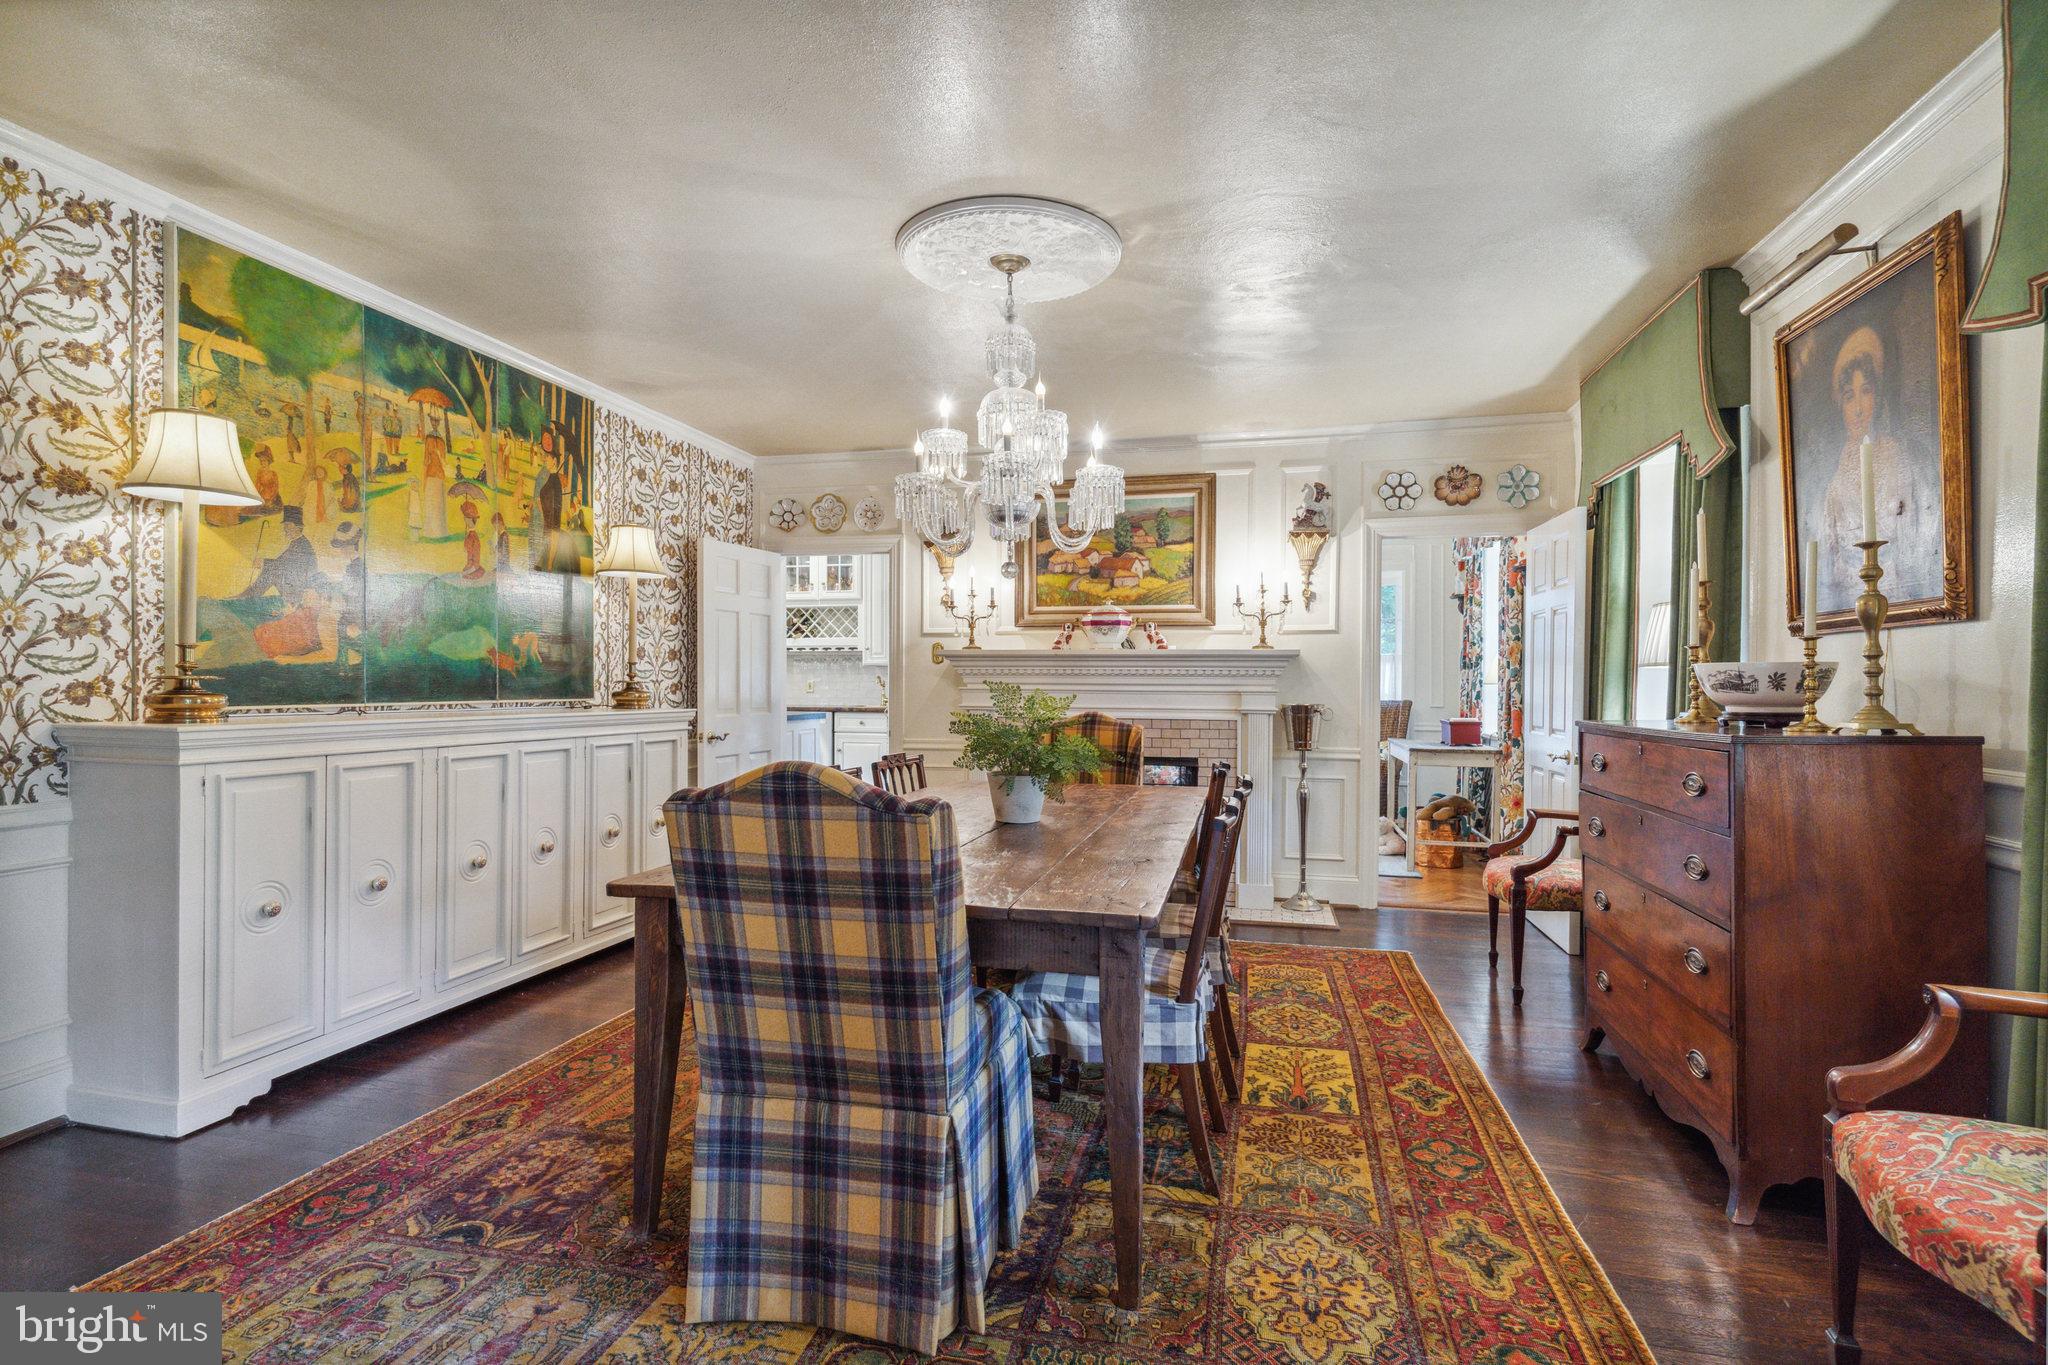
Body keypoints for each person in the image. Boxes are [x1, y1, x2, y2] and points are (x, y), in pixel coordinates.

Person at [1815, 325, 1942, 607]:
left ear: (1878, 396)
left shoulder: (1903, 458)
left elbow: (1924, 537)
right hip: (1852, 602)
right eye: (1850, 397)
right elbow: (1830, 559)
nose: (1859, 407)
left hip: (1902, 596)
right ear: (1841, 405)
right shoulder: (1834, 483)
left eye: (1866, 392)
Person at [237, 508, 322, 604]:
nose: (285, 529)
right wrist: (264, 563)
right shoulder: (298, 542)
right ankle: (249, 594)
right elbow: (281, 562)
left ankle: (249, 596)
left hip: (300, 590)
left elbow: (283, 565)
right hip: (294, 584)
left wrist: (263, 562)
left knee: (272, 570)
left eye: (287, 525)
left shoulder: (302, 545)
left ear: (297, 527)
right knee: (271, 569)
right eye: (285, 526)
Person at [459, 498, 487, 581]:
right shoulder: (472, 535)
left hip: (473, 566)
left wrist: (468, 567)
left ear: (468, 520)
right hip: (473, 564)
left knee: (463, 575)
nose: (464, 519)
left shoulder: (472, 536)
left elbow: (471, 556)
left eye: (465, 517)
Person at [250, 446, 282, 512]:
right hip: (263, 495)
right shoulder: (259, 472)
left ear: (268, 461)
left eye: (264, 461)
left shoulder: (273, 474)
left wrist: (271, 500)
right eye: (261, 461)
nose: (262, 463)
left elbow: (275, 488)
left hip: (273, 497)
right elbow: (257, 486)